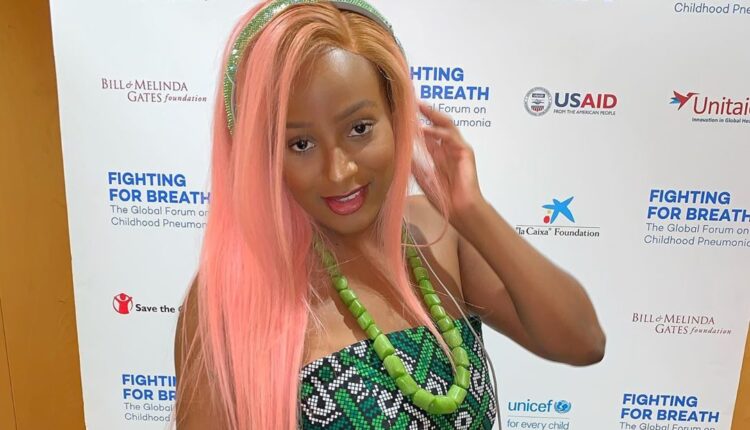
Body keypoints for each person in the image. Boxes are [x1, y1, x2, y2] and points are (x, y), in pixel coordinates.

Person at [174, 1, 606, 429]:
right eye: (300, 144)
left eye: (359, 128)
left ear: (397, 115)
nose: (339, 171)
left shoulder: (436, 234)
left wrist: (472, 212)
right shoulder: (237, 293)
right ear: (263, 153)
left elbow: (583, 342)